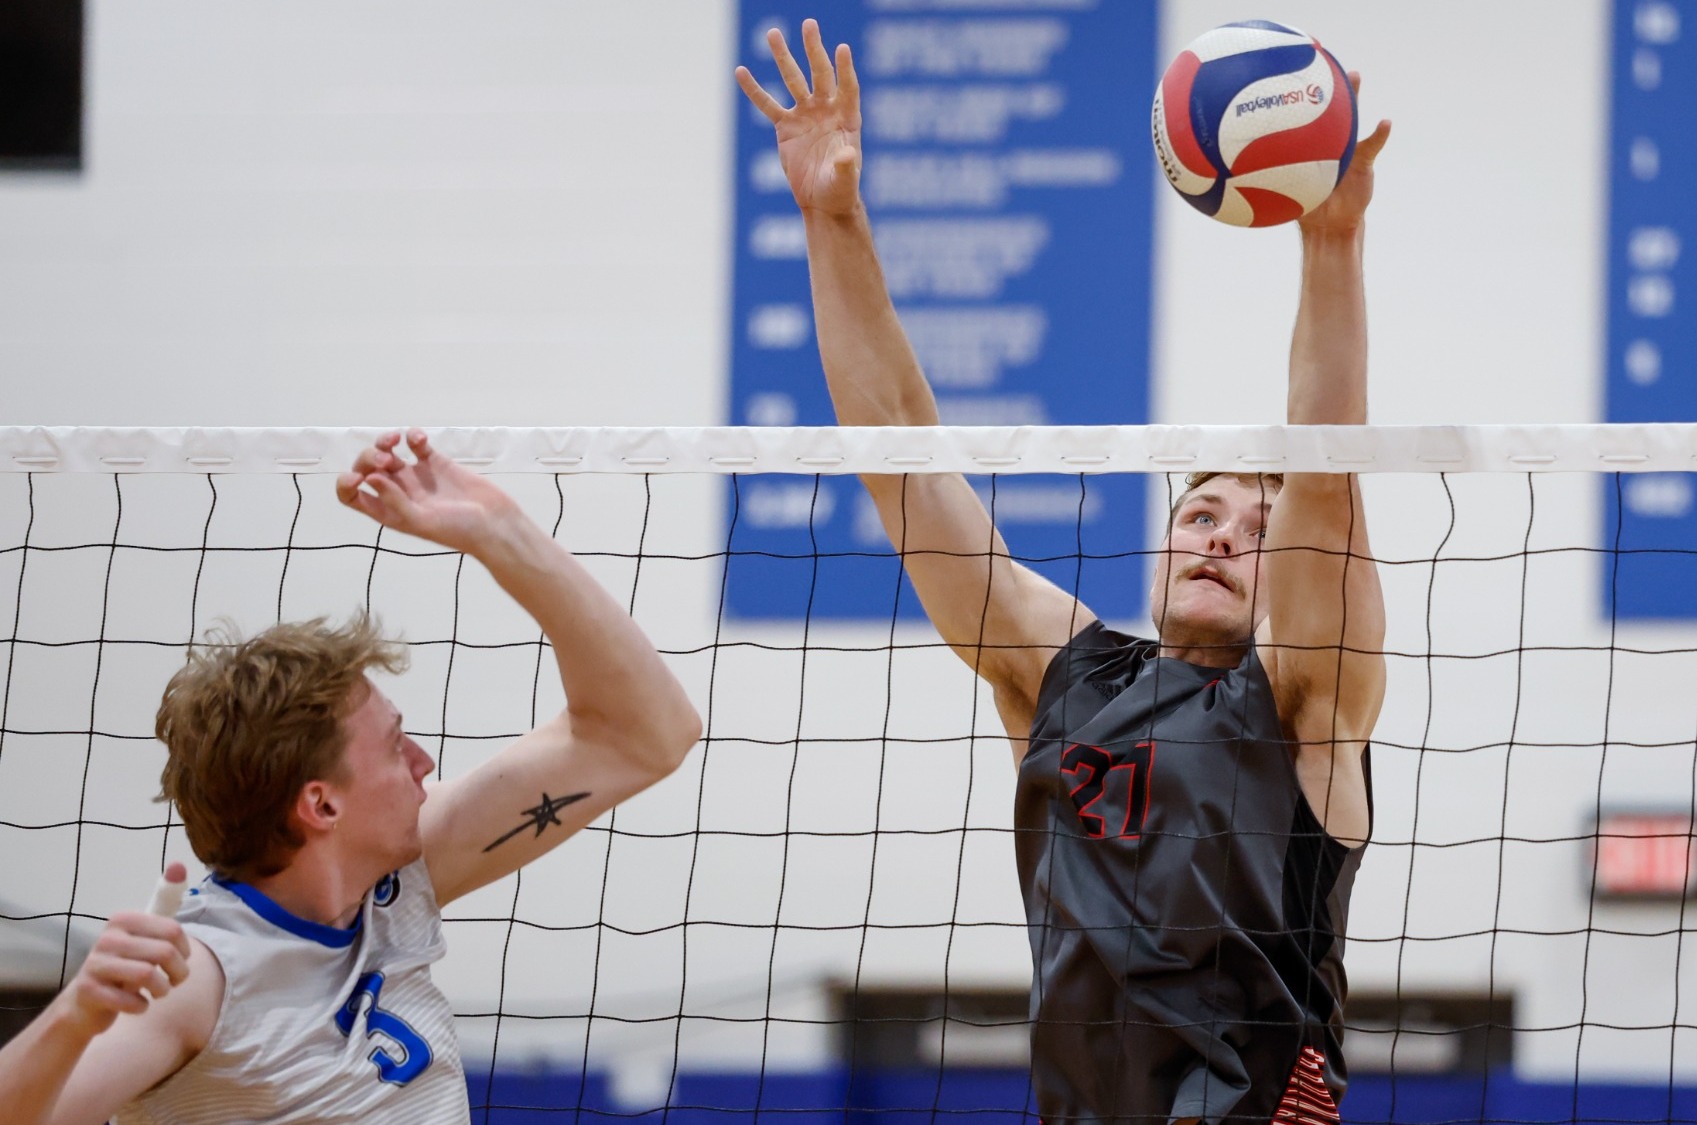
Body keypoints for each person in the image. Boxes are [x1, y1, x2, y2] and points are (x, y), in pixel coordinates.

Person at [738, 20, 1389, 1125]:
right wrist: (832, 218)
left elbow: (1325, 475)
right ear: (1164, 542)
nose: (1224, 535)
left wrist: (1327, 251)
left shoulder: (1306, 705)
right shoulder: (1065, 677)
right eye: (1200, 511)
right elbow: (899, 456)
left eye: (1255, 527)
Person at [0, 429, 703, 1125]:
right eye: (396, 746)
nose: (424, 761)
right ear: (322, 804)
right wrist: (73, 1014)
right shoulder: (204, 973)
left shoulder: (397, 880)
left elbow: (644, 734)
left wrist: (498, 532)